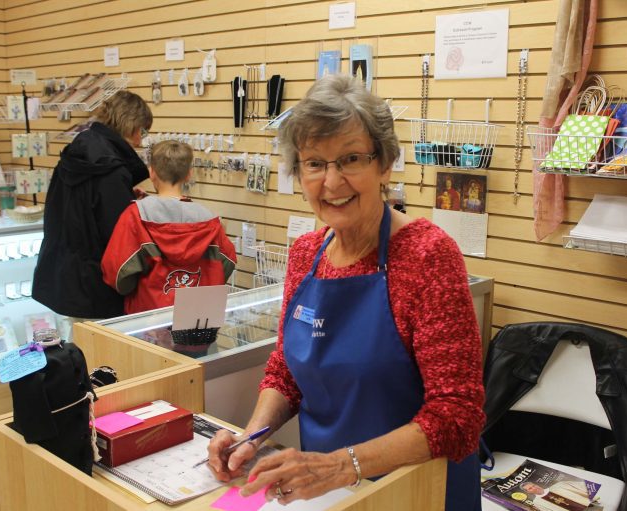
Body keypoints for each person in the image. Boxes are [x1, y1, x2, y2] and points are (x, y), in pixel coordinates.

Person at [205, 74, 485, 510]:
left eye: (350, 159)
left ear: (385, 163)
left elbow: (458, 416)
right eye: (314, 163)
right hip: (330, 495)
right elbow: (285, 372)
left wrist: (340, 465)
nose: (332, 182)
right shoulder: (305, 254)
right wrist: (252, 437)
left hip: (416, 493)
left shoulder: (428, 256)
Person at [33, 90, 152, 321]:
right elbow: (117, 235)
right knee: (101, 353)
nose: (140, 141)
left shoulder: (77, 152)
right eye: (142, 131)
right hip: (95, 285)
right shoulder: (111, 169)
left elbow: (78, 208)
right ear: (131, 126)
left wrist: (125, 195)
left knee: (79, 346)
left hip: (64, 274)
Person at [101, 140, 237, 315]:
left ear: (151, 172)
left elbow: (116, 273)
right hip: (196, 320)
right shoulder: (208, 219)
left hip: (149, 321)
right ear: (189, 174)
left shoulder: (136, 215)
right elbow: (228, 262)